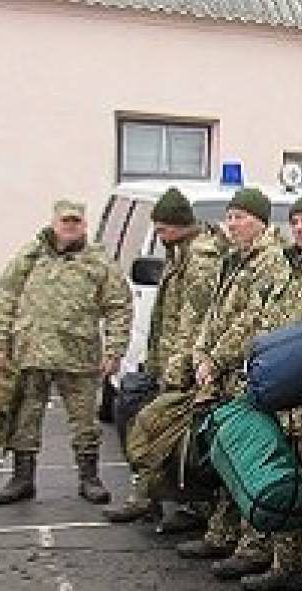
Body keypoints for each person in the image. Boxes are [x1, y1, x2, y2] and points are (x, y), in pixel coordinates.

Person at [0, 199, 132, 505]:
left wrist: (115, 351)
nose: (70, 227)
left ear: (84, 225)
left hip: (78, 355)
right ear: (54, 222)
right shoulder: (30, 256)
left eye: (76, 222)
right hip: (30, 353)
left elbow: (119, 307)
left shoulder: (98, 262)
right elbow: (4, 298)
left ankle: (89, 477)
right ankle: (22, 478)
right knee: (24, 418)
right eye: (65, 221)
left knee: (85, 421)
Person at [177, 187, 289, 568]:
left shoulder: (270, 262)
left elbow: (252, 322)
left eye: (241, 217)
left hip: (242, 374)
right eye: (230, 216)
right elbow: (214, 313)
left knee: (247, 458)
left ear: (260, 221)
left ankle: (253, 547)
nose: (232, 224)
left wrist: (217, 357)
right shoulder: (235, 260)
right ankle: (222, 534)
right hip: (219, 373)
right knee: (225, 456)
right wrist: (200, 351)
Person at [104, 187, 224, 527]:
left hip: (183, 364)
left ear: (179, 226)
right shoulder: (178, 253)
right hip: (165, 357)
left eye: (161, 230)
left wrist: (178, 367)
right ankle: (150, 497)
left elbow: (194, 317)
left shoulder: (200, 259)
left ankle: (174, 503)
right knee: (142, 420)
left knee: (162, 432)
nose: (158, 236)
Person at [239, 195, 302, 591]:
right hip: (279, 394)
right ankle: (284, 564)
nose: (299, 228)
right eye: (295, 221)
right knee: (285, 480)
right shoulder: (283, 268)